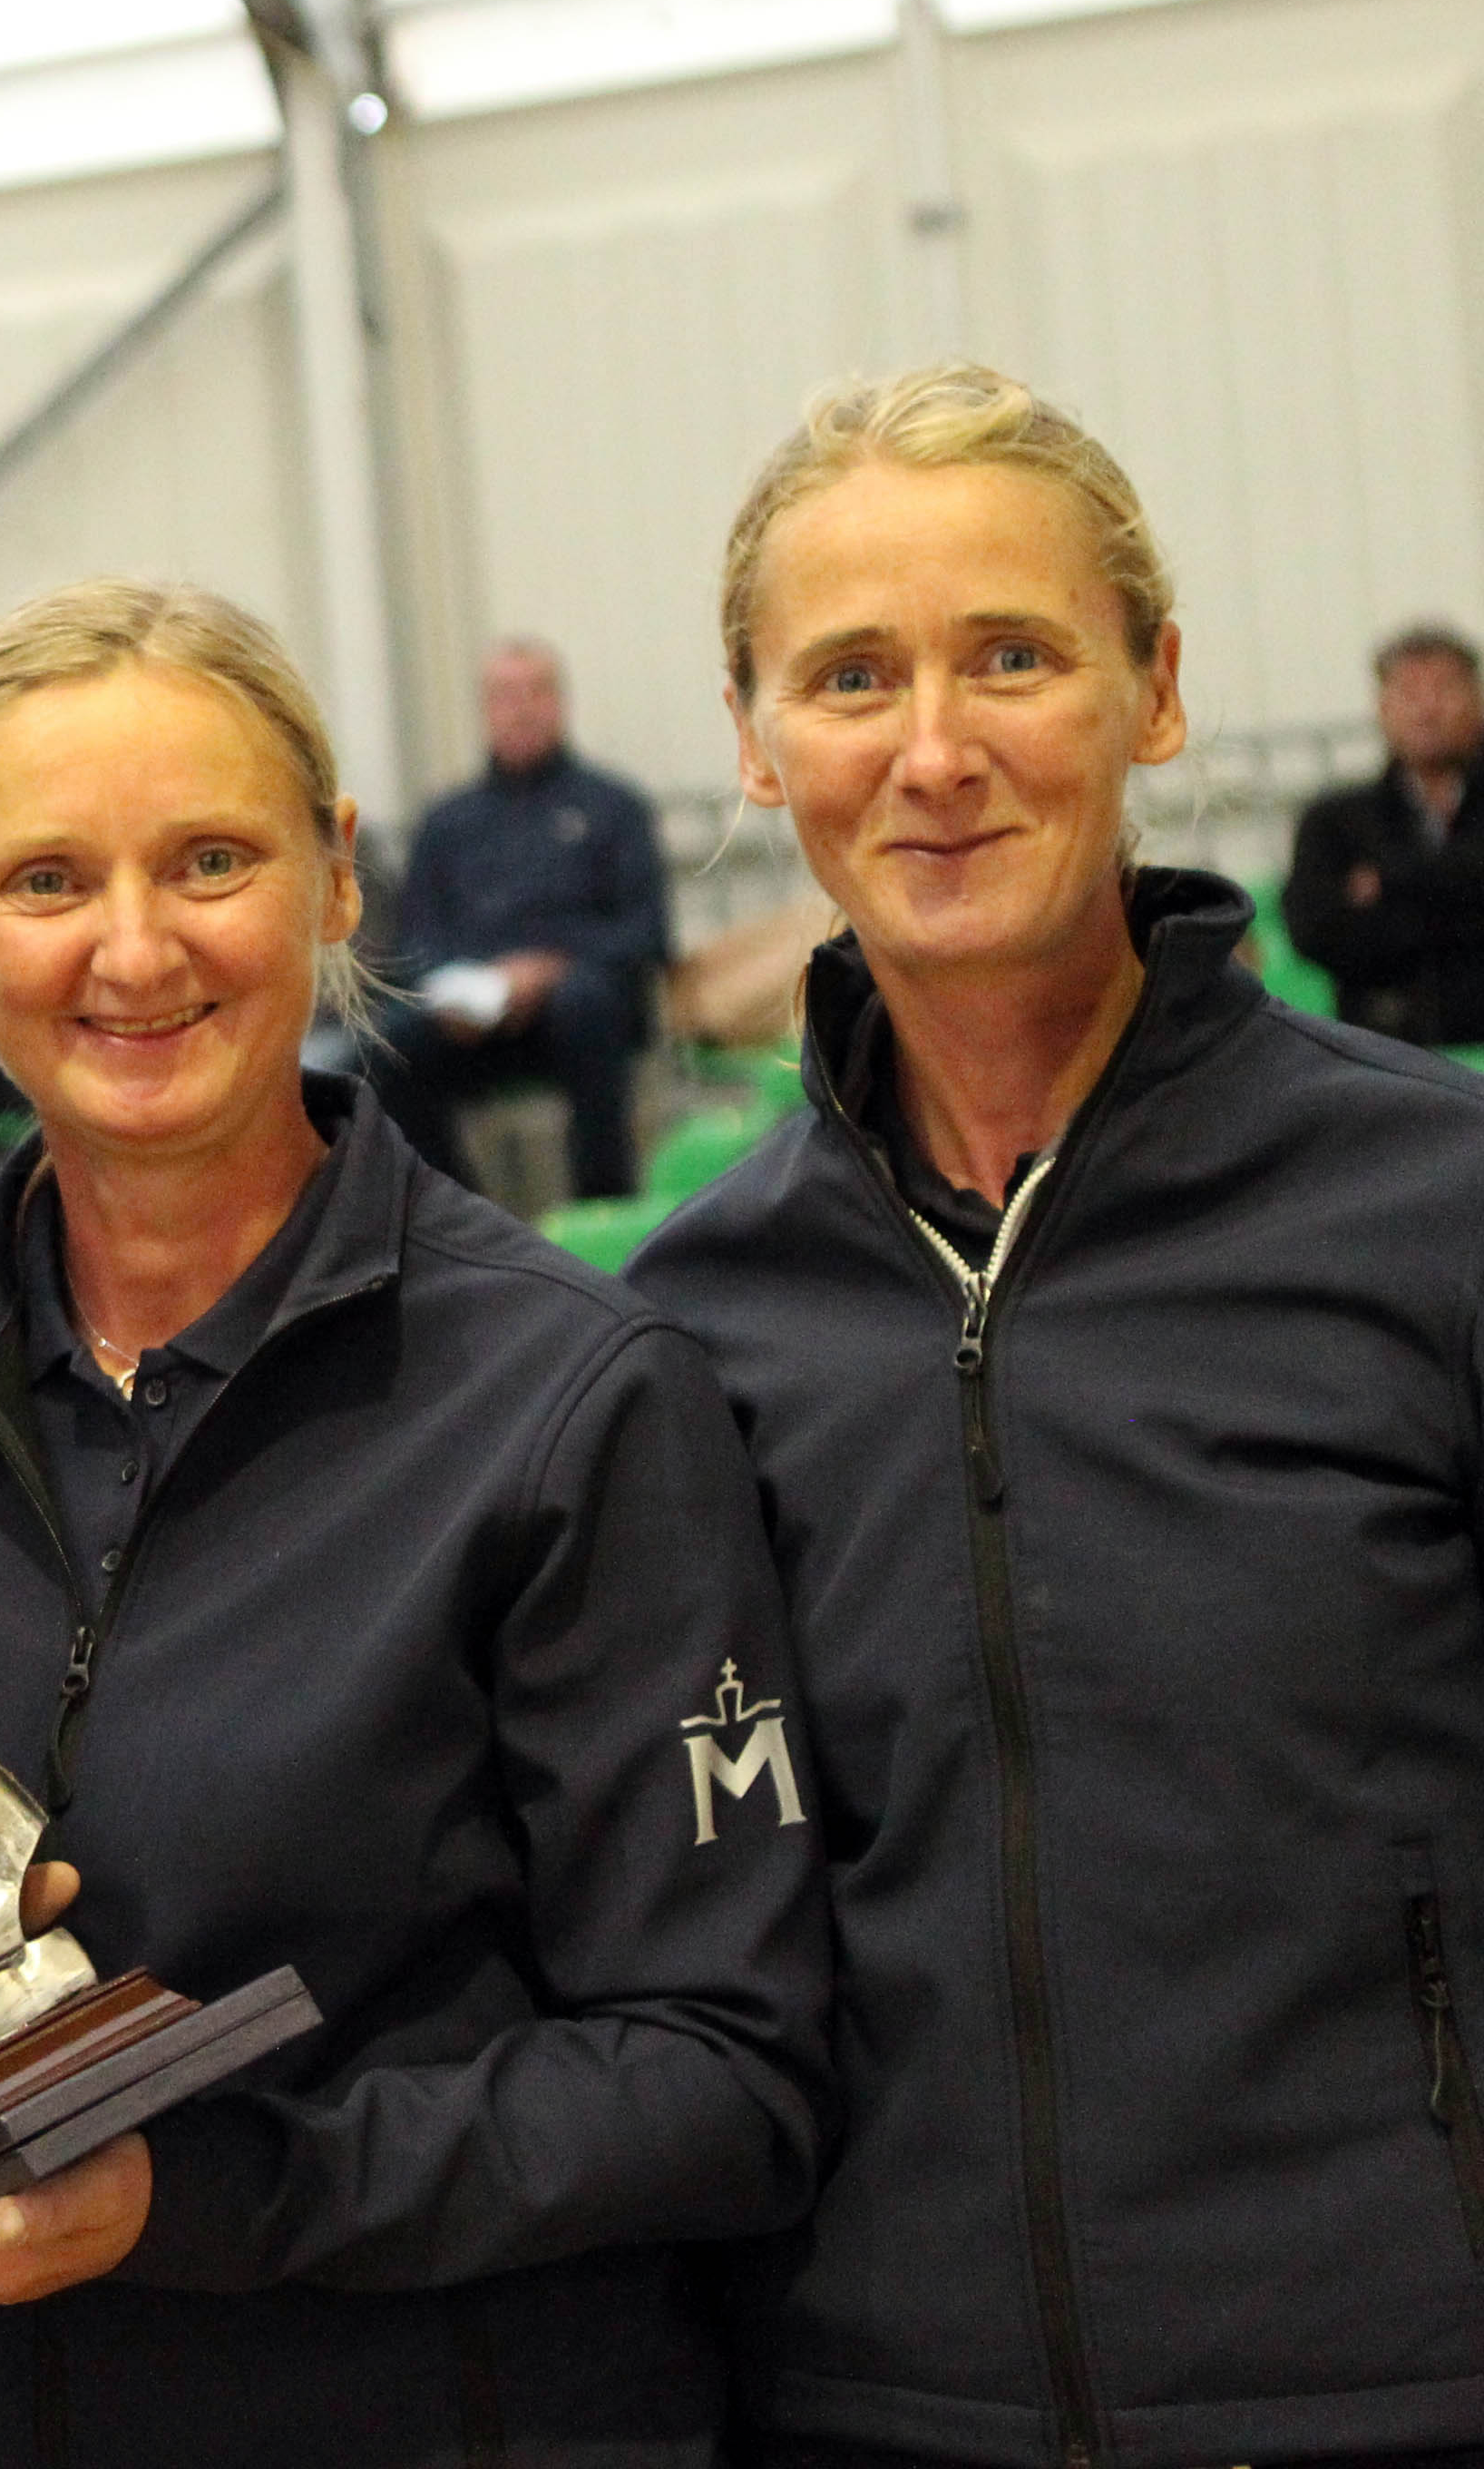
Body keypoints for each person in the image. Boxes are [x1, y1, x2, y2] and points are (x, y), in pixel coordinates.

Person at [0, 579, 826, 2466]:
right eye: (50, 879)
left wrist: (212, 2194)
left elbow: (724, 2076)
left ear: (338, 877)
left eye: (210, 859)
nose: (133, 951)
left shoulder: (566, 1400)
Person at [630, 366, 1484, 2466]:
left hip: (1398, 2383)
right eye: (848, 676)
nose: (933, 751)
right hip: (873, 2406)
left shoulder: (1432, 1210)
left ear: (1152, 687)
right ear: (754, 740)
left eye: (1008, 653)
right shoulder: (684, 1328)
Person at [363, 637, 669, 1202]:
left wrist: (546, 972)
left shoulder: (614, 808)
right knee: (385, 1045)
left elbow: (647, 935)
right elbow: (413, 942)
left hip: (581, 1015)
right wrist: (462, 991)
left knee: (586, 1003)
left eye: (537, 692)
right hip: (473, 1023)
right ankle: (463, 1219)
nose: (522, 708)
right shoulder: (447, 822)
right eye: (506, 695)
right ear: (485, 710)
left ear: (562, 702)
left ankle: (601, 1209)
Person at [1284, 619, 1484, 1049]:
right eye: (1409, 693)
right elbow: (1315, 931)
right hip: (1386, 1050)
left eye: (1445, 690)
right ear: (1382, 707)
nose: (1427, 710)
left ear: (1478, 702)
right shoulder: (1333, 821)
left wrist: (1389, 884)